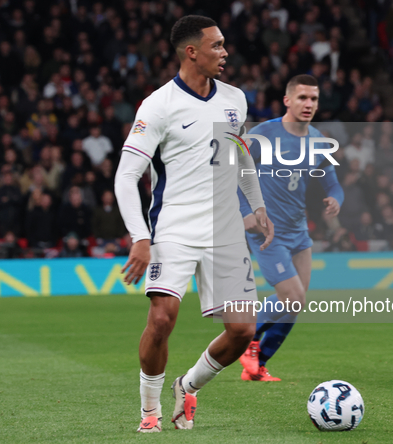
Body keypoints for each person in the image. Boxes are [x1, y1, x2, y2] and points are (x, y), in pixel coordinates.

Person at [113, 16, 273, 433]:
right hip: (175, 227)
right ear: (191, 52)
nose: (224, 52)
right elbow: (127, 175)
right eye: (217, 46)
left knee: (242, 331)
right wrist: (140, 237)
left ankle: (188, 385)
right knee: (162, 319)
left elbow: (240, 157)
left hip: (225, 230)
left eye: (223, 45)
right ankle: (149, 413)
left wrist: (257, 207)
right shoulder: (159, 105)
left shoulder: (234, 100)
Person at [237, 74, 344, 381]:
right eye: (302, 98)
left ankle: (258, 364)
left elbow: (332, 182)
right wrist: (246, 212)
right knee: (292, 298)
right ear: (287, 100)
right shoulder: (263, 134)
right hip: (267, 232)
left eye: (313, 99)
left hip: (299, 234)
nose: (308, 104)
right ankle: (245, 335)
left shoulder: (317, 140)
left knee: (295, 305)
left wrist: (336, 200)